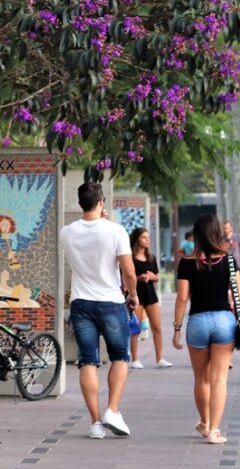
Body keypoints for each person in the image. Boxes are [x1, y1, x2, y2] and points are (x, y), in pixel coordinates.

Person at [60, 182, 137, 439]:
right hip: (112, 302)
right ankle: (112, 410)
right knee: (119, 356)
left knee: (88, 361)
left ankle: (95, 423)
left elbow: (88, 233)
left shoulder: (66, 232)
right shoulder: (116, 231)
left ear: (80, 202)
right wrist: (133, 295)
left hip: (81, 303)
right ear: (102, 201)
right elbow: (128, 271)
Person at [173, 213, 240, 444]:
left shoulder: (187, 263)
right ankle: (213, 430)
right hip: (224, 321)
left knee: (201, 379)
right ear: (217, 232)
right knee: (220, 379)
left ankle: (205, 422)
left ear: (197, 235)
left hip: (197, 321)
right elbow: (238, 295)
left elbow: (182, 298)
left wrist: (177, 328)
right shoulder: (229, 260)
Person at [129, 228, 172, 369]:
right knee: (136, 328)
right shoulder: (130, 258)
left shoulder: (151, 258)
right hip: (137, 295)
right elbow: (126, 279)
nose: (147, 240)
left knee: (157, 327)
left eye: (148, 237)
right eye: (143, 237)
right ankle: (135, 359)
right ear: (137, 240)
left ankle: (160, 358)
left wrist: (152, 277)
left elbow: (157, 277)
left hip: (150, 295)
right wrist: (139, 278)